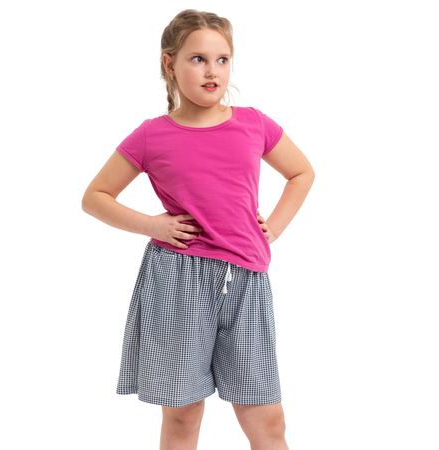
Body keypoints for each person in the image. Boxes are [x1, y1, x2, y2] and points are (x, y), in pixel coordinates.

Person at [82, 8, 315, 450]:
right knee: (183, 416)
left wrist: (274, 227)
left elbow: (302, 173)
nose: (213, 71)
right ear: (169, 63)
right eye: (198, 59)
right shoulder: (151, 135)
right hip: (177, 280)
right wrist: (152, 225)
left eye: (222, 60)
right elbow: (95, 196)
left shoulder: (254, 123)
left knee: (267, 419)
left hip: (246, 281)